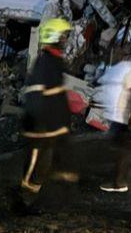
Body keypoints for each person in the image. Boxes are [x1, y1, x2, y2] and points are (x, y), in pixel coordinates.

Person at [14, 18, 78, 213]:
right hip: (41, 128)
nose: (66, 41)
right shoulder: (46, 63)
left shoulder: (54, 62)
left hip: (51, 128)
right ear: (54, 38)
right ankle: (24, 202)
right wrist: (42, 126)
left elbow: (56, 96)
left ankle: (39, 198)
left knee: (46, 164)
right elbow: (37, 97)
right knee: (36, 166)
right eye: (63, 37)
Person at [96, 58, 131, 193]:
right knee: (119, 146)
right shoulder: (126, 67)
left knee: (120, 147)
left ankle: (119, 182)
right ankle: (118, 179)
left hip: (124, 116)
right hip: (121, 114)